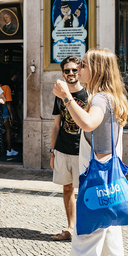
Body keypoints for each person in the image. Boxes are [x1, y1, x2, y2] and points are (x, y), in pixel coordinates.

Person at [40, 48, 128, 256]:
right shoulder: (114, 98)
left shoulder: (101, 98)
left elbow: (89, 125)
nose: (80, 68)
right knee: (111, 247)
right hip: (111, 185)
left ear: (98, 69)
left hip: (96, 187)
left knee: (84, 248)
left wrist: (66, 96)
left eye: (86, 64)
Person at [49, 56, 88, 241]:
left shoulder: (88, 96)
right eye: (67, 70)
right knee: (67, 189)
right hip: (63, 149)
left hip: (83, 151)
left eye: (74, 70)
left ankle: (84, 229)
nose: (71, 73)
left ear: (79, 71)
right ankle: (70, 228)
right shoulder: (59, 95)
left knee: (84, 191)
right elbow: (57, 125)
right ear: (62, 73)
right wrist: (52, 151)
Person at [0, 76, 18, 157]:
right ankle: (9, 150)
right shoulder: (6, 87)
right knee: (8, 130)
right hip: (4, 109)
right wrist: (11, 114)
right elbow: (8, 103)